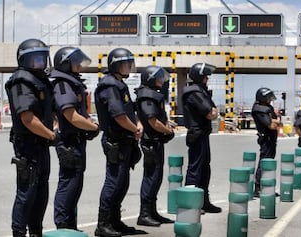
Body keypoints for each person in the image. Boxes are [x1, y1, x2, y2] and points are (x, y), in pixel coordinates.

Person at [5, 38, 59, 237]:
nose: (40, 63)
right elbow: (27, 118)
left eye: (42, 58)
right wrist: (52, 135)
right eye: (35, 59)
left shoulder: (41, 81)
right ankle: (19, 233)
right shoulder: (21, 80)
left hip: (42, 144)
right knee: (27, 193)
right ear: (25, 60)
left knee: (41, 193)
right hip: (27, 145)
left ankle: (36, 232)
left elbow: (52, 113)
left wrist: (54, 128)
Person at [94, 48, 143, 237]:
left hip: (126, 141)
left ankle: (114, 221)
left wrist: (137, 125)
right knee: (113, 182)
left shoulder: (119, 85)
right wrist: (135, 128)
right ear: (115, 64)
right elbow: (118, 115)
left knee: (122, 183)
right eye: (125, 63)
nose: (129, 66)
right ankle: (103, 224)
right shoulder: (110, 85)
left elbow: (130, 111)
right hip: (116, 140)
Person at [50, 47, 100, 230]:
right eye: (75, 61)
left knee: (75, 185)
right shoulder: (62, 84)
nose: (79, 65)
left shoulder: (71, 83)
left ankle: (70, 226)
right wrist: (93, 126)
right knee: (69, 185)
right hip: (69, 142)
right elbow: (71, 115)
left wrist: (89, 124)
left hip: (77, 141)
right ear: (65, 63)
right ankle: (63, 227)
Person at [135, 65, 174, 226]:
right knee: (151, 177)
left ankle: (152, 211)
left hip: (156, 142)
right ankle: (144, 214)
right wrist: (167, 131)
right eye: (158, 78)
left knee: (156, 177)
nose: (161, 81)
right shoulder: (146, 95)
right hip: (151, 142)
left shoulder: (152, 95)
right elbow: (152, 121)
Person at [182, 62, 221, 213]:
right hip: (196, 134)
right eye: (205, 76)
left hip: (203, 134)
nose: (207, 79)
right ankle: (191, 204)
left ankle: (204, 201)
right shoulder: (194, 92)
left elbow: (213, 111)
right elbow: (211, 114)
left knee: (205, 168)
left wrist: (214, 111)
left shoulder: (200, 91)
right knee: (195, 169)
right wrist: (215, 112)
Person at [251, 87, 281, 197]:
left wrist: (276, 121)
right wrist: (276, 121)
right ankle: (258, 187)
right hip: (266, 139)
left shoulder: (267, 108)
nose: (270, 100)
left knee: (269, 163)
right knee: (264, 162)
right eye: (268, 97)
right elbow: (271, 125)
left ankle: (267, 187)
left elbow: (275, 122)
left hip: (271, 139)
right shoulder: (260, 109)